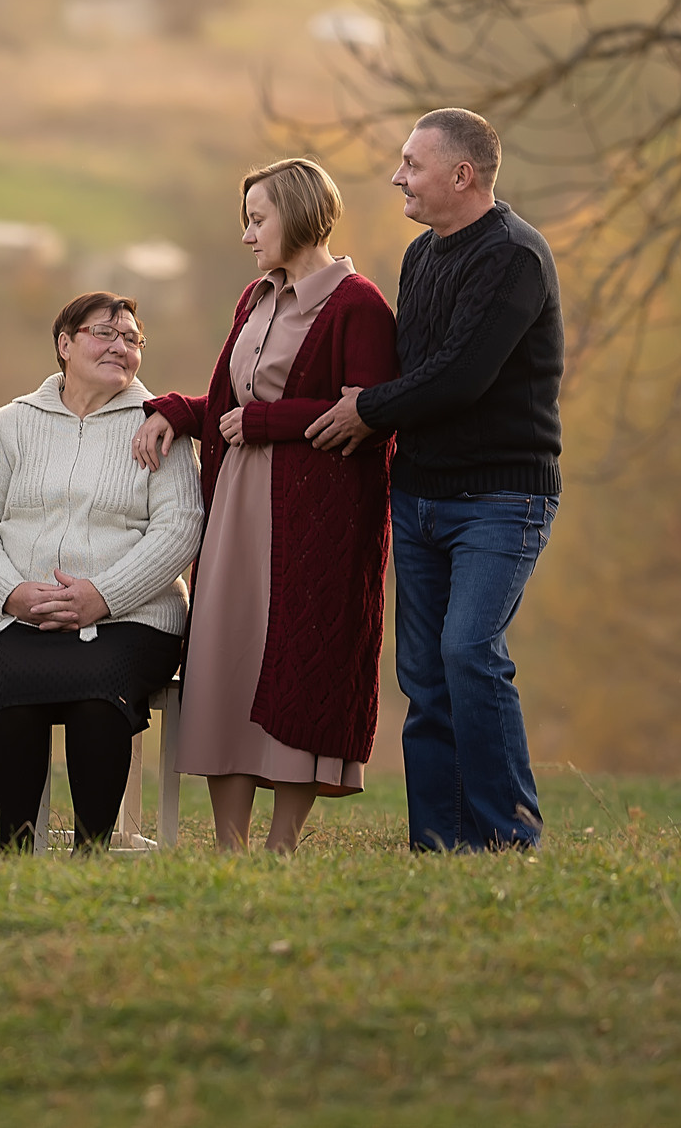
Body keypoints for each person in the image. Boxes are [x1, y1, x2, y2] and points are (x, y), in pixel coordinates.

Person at [303, 110, 563, 852]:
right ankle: (441, 844)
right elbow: (410, 368)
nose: (399, 177)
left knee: (469, 653)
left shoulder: (513, 257)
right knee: (424, 674)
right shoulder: (422, 255)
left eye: (413, 165)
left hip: (501, 499)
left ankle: (508, 838)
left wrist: (366, 409)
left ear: (462, 174)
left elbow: (459, 376)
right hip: (418, 493)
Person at [132, 158, 398, 853]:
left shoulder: (360, 306)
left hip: (317, 523)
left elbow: (370, 418)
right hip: (237, 509)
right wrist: (175, 410)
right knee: (227, 659)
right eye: (245, 220)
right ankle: (230, 846)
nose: (248, 234)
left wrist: (267, 423)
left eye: (258, 219)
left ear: (300, 215)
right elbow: (232, 404)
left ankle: (281, 846)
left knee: (298, 666)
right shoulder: (253, 298)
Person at [0, 293, 201, 854]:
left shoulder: (161, 425)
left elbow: (181, 527)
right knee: (16, 692)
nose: (120, 347)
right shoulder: (10, 425)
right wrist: (12, 594)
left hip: (134, 620)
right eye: (104, 333)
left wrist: (103, 596)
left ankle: (91, 853)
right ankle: (16, 854)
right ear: (64, 344)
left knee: (98, 695)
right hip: (26, 615)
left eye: (131, 339)